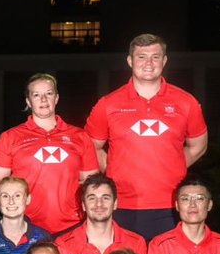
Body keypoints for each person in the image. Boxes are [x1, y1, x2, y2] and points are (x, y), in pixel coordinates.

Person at [85, 33, 209, 241]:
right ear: (130, 61)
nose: (148, 63)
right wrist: (113, 167)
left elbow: (198, 146)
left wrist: (172, 164)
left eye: (155, 57)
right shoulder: (108, 104)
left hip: (171, 205)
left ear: (165, 60)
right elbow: (90, 147)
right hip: (122, 205)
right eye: (141, 57)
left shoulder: (186, 102)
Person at [0, 73, 97, 235]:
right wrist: (13, 210)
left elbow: (91, 183)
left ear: (57, 98)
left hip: (73, 225)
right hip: (26, 225)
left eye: (49, 93)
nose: (43, 100)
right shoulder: (11, 137)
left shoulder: (80, 137)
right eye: (36, 95)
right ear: (28, 101)